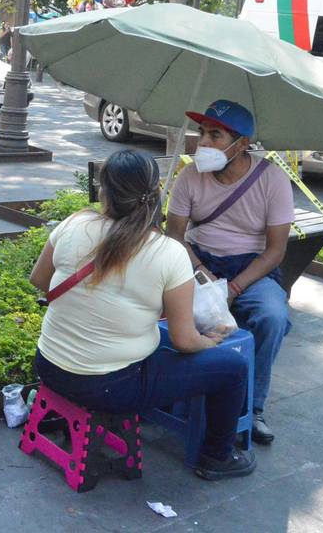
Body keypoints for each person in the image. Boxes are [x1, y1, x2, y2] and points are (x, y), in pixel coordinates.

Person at [29, 148, 255, 481]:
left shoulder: (75, 223)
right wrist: (210, 342)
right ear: (155, 192)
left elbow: (39, 279)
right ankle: (217, 457)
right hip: (109, 388)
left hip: (48, 365)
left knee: (153, 351)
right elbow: (184, 340)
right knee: (233, 367)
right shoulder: (168, 253)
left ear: (103, 189)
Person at [165, 99, 294, 446]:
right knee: (162, 309)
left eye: (215, 135)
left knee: (272, 316)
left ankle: (252, 409)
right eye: (202, 133)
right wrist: (200, 270)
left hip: (250, 268)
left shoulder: (273, 179)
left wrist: (234, 287)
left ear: (242, 145)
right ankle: (171, 393)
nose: (203, 143)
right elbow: (174, 235)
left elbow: (275, 251)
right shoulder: (190, 175)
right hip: (197, 260)